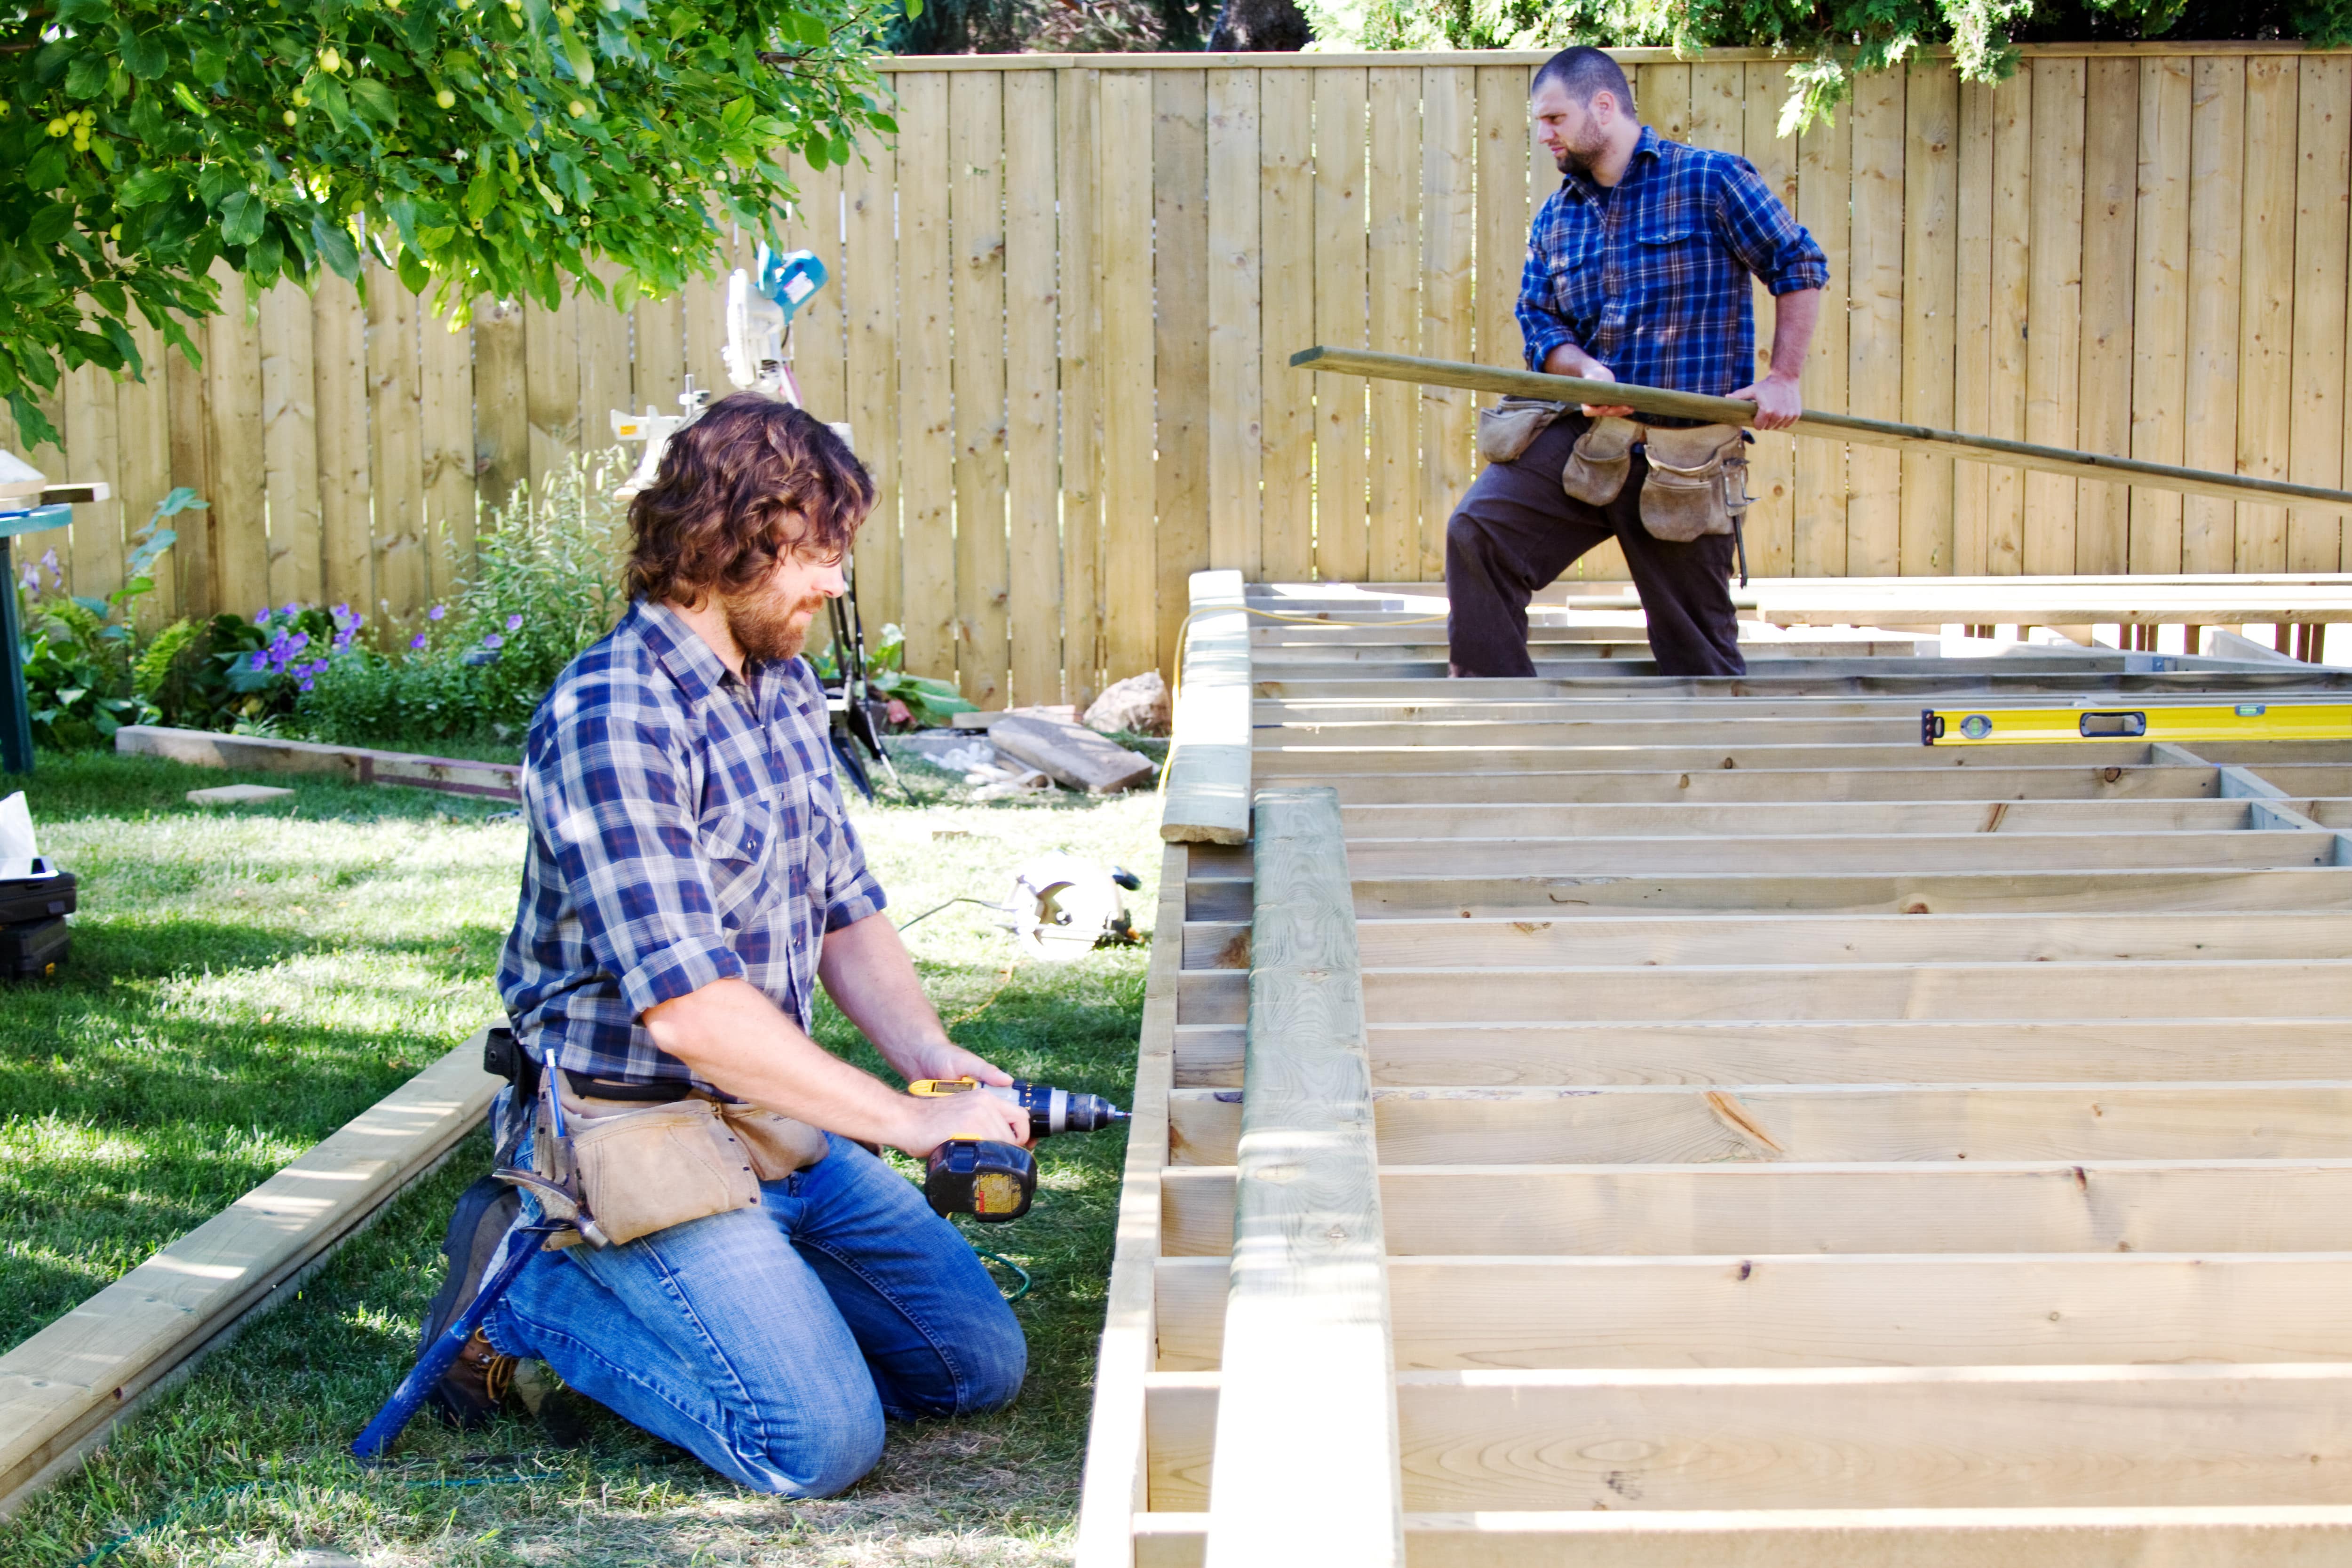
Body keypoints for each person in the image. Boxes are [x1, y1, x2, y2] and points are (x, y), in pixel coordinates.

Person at [421, 394, 1032, 1496]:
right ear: (726, 539)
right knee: (818, 1441)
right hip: (631, 1124)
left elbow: (845, 905)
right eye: (818, 551)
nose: (835, 581)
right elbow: (692, 1012)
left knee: (971, 1365)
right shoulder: (614, 712)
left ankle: (743, 1277)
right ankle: (520, 1298)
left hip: (766, 1116)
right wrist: (906, 1123)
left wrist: (932, 1061)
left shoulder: (783, 684)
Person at [1445, 47, 1829, 679]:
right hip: (1586, 440)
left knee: (1699, 658)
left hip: (1685, 459)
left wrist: (1783, 378)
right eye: (1540, 123)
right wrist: (1585, 372)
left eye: (1554, 119)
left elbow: (1798, 263)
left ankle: (1713, 738)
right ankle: (1499, 718)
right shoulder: (1558, 217)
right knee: (1478, 534)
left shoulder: (1710, 180)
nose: (1544, 135)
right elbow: (1540, 323)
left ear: (1603, 105)